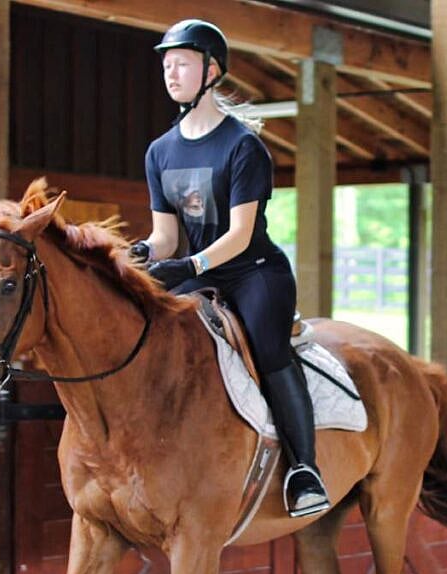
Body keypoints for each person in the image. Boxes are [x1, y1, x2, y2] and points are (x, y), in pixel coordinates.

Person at [132, 19, 330, 517]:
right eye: (166, 66)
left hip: (253, 271)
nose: (170, 73)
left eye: (181, 64)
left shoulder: (243, 147)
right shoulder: (159, 150)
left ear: (211, 70)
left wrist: (186, 265)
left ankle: (305, 470)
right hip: (194, 269)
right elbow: (166, 237)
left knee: (268, 349)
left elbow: (240, 235)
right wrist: (142, 252)